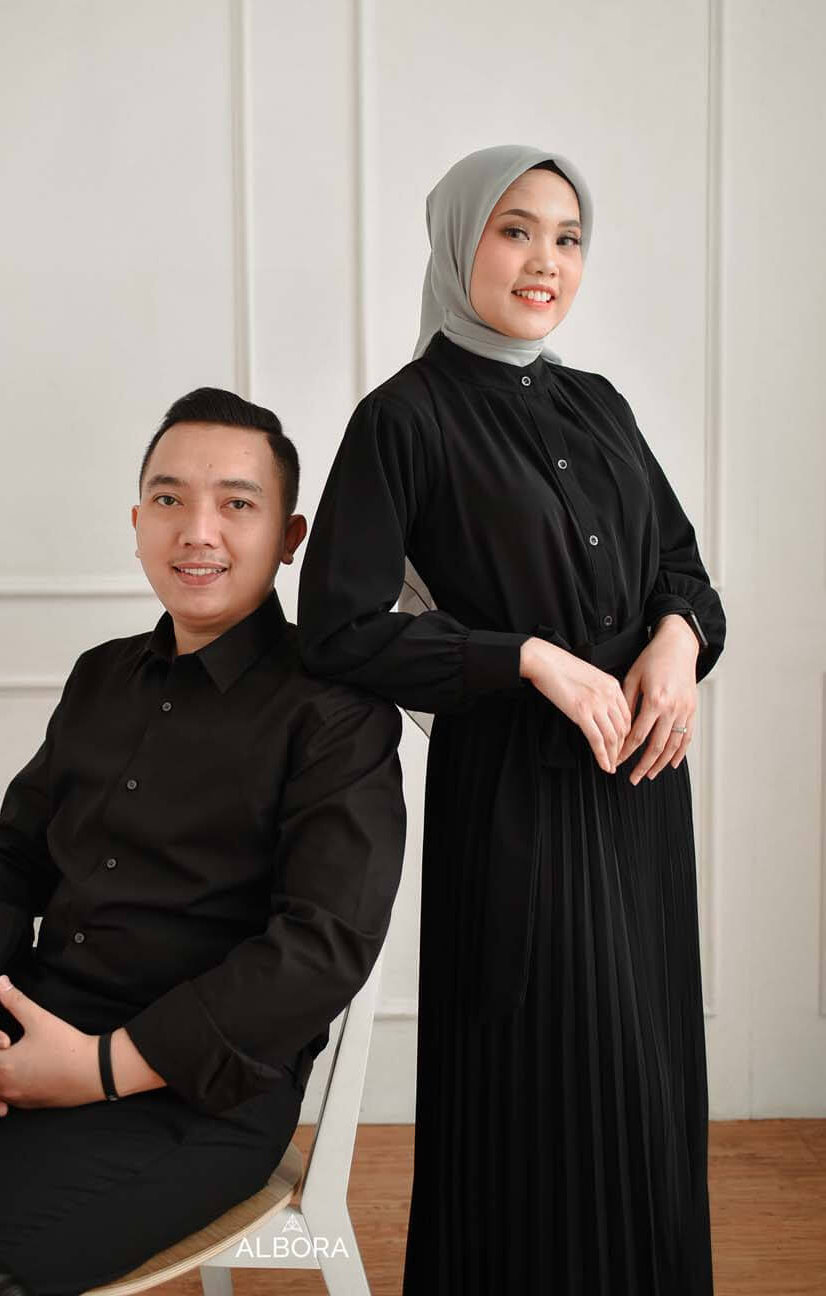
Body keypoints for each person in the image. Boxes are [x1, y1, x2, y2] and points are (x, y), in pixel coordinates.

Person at [0, 388, 406, 1296]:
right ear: (137, 523)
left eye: (236, 503)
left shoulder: (336, 711)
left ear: (289, 536)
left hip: (181, 1096)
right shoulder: (102, 674)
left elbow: (321, 949)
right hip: (25, 1018)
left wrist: (95, 1070)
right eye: (169, 498)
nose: (198, 530)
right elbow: (12, 849)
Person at [297, 145, 725, 1296]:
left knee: (646, 1088)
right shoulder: (403, 419)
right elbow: (334, 628)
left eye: (567, 237)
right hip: (515, 808)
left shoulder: (599, 403)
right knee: (542, 1089)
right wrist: (524, 657)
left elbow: (681, 570)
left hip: (640, 801)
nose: (545, 260)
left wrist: (677, 643)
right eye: (514, 229)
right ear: (458, 242)